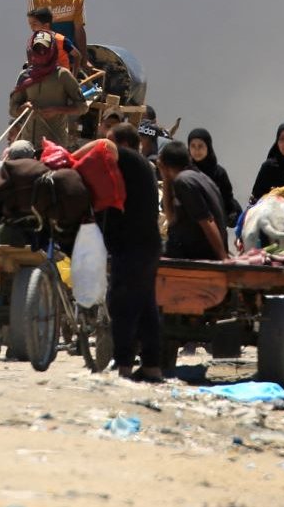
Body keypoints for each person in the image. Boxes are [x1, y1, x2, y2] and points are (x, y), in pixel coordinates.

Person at [101, 123, 164, 381]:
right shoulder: (141, 167)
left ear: (123, 145)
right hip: (146, 246)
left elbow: (102, 148)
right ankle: (151, 366)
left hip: (132, 247)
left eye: (110, 141)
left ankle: (124, 365)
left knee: (122, 305)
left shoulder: (129, 160)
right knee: (147, 307)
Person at [158, 144, 229, 261]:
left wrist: (223, 258)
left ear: (164, 165)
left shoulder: (183, 182)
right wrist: (166, 179)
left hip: (197, 255)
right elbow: (172, 220)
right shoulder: (201, 177)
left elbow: (207, 221)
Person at [186, 130, 238, 229]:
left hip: (215, 226)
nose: (196, 150)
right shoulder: (184, 172)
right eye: (193, 146)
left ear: (208, 147)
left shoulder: (219, 173)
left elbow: (227, 198)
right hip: (190, 228)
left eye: (200, 146)